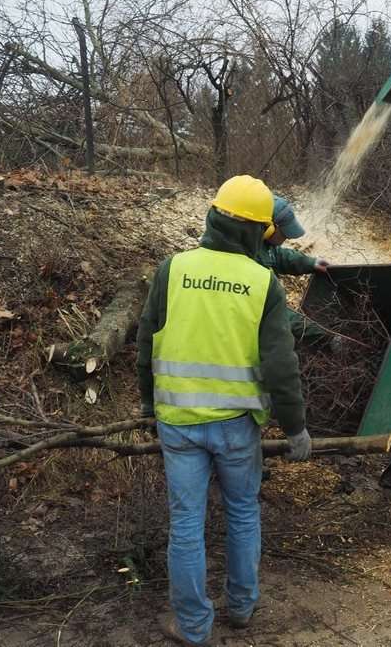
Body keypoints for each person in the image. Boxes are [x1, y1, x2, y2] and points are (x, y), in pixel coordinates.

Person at [136, 175, 310, 647]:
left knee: (187, 524)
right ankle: (242, 607)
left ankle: (192, 627)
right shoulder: (262, 282)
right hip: (236, 427)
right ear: (257, 232)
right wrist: (295, 429)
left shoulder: (172, 270)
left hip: (178, 426)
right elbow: (280, 365)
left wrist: (147, 404)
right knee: (242, 513)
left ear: (214, 216)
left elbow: (145, 341)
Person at [256, 196, 332, 345]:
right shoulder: (250, 262)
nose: (286, 238)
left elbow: (277, 255)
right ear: (269, 228)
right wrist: (323, 334)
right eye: (284, 233)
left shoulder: (260, 245)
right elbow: (274, 315)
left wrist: (311, 263)